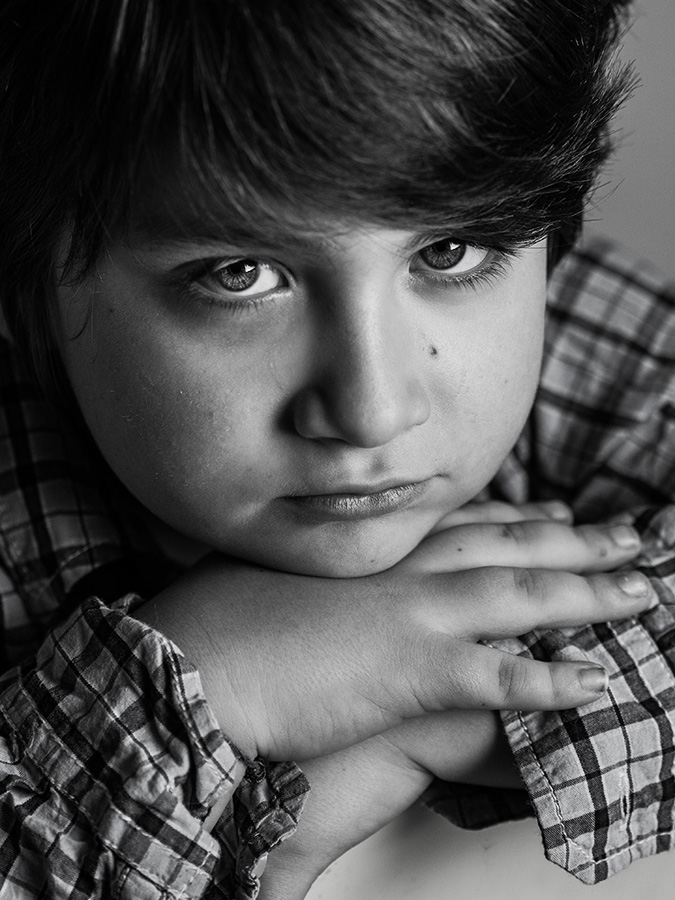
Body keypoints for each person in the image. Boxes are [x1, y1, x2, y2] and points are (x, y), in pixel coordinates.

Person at [0, 0, 673, 898]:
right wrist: (208, 677)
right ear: (25, 282)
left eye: (450, 251)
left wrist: (422, 716)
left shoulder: (583, 330)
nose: (371, 411)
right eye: (239, 274)